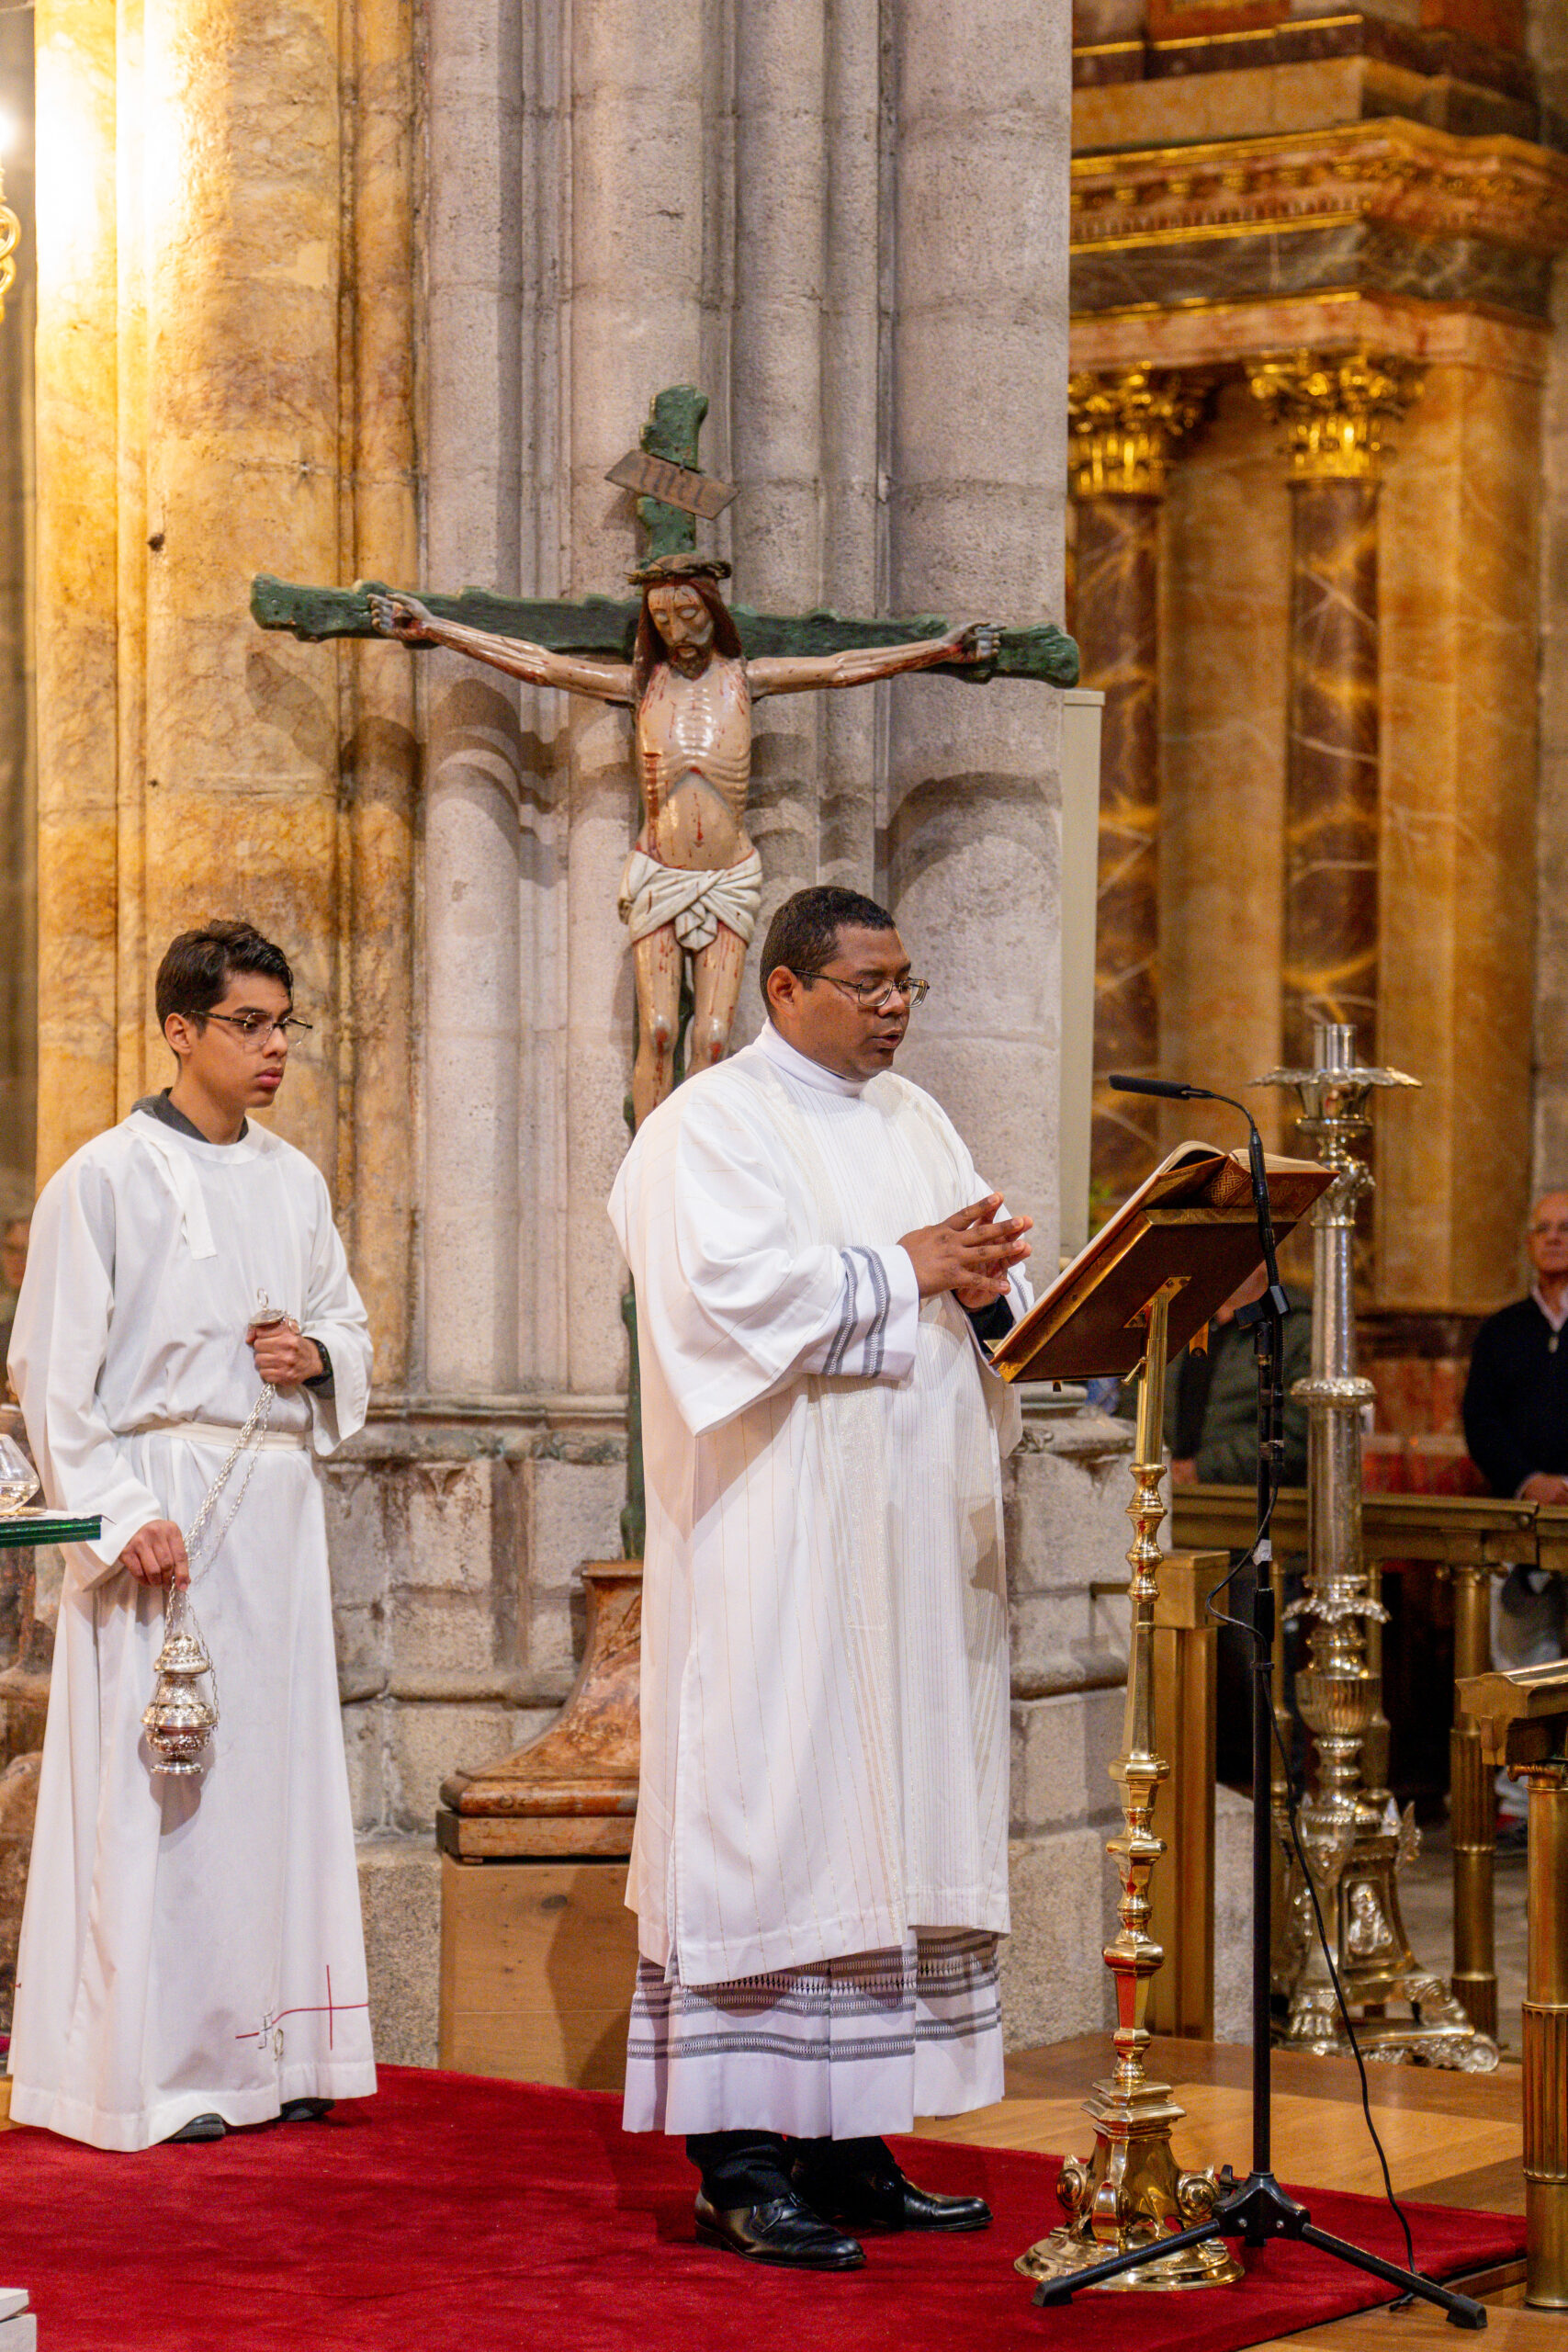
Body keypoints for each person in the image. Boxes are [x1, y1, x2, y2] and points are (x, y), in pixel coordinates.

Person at [608, 884, 1033, 2272]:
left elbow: (969, 1286)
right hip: (775, 1547)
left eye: (907, 980)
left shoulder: (917, 1121)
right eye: (868, 983)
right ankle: (738, 2166)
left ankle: (847, 2149)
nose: (896, 1004)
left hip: (907, 1542)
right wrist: (898, 1267)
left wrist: (981, 1294)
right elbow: (709, 1311)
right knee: (773, 1815)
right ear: (784, 989)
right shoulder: (703, 1129)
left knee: (886, 1824)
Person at [6, 920, 376, 2149]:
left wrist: (317, 1360)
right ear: (179, 1029)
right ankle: (160, 2070)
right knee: (165, 1799)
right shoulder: (102, 1179)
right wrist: (121, 1513)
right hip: (160, 1514)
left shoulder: (294, 1180)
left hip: (273, 1509)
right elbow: (50, 1374)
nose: (274, 1048)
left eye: (284, 1025)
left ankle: (279, 2050)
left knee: (273, 1794)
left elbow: (345, 1326)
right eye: (247, 1024)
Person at [370, 560, 997, 1125]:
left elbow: (839, 669)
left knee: (717, 1034)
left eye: (689, 613)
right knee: (663, 1027)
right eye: (662, 618)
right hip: (659, 869)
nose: (678, 629)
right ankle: (654, 1154)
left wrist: (937, 649)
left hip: (727, 873)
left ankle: (702, 1144)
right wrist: (438, 630)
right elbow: (541, 663)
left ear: (712, 611)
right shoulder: (642, 687)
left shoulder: (745, 680)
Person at [1463, 1190, 1568, 1826]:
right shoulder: (1501, 1330)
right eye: (1543, 1229)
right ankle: (1518, 1806)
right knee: (1523, 1660)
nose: (1553, 1238)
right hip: (1520, 1517)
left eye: (1565, 1228)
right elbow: (1481, 1420)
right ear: (1528, 1243)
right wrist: (1528, 1479)